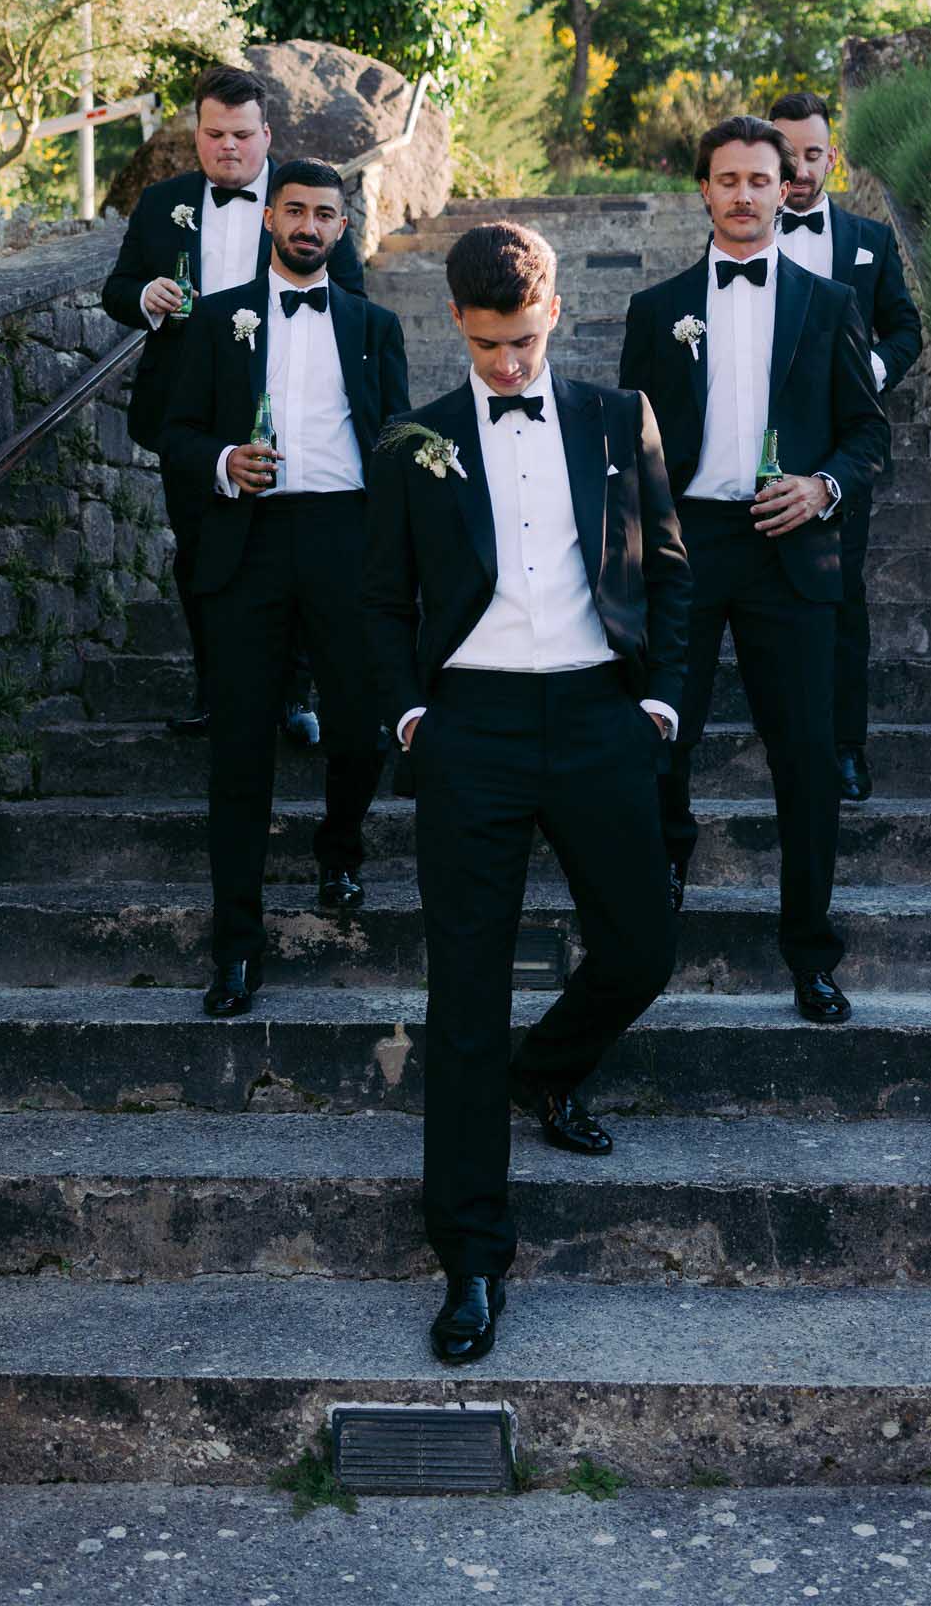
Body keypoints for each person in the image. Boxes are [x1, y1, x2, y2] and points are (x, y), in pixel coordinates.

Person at [362, 220, 691, 1366]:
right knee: (463, 998)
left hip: (601, 715)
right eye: (491, 344)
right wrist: (412, 716)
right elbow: (374, 598)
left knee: (644, 945)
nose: (510, 364)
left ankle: (542, 1071)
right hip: (476, 729)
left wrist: (659, 703)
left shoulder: (616, 416)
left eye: (527, 340)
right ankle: (470, 1261)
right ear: (455, 318)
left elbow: (672, 566)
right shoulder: (415, 440)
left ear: (557, 312)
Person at [619, 117, 888, 1027]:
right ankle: (656, 905)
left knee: (807, 761)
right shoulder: (656, 311)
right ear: (703, 190)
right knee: (661, 740)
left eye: (758, 180)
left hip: (791, 551)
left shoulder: (830, 303)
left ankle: (809, 954)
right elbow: (627, 445)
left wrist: (823, 488)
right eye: (725, 179)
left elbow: (868, 437)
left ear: (786, 190)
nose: (741, 194)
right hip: (687, 546)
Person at [161, 158, 409, 1019]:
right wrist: (225, 462)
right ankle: (235, 948)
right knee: (238, 752)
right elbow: (175, 432)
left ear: (343, 229)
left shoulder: (377, 325)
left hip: (346, 540)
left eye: (325, 215)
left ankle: (338, 842)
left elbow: (397, 447)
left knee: (360, 729)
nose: (309, 226)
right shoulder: (218, 319)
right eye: (295, 211)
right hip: (247, 544)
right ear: (270, 218)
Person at [101, 63, 364, 738]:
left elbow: (354, 300)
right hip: (185, 416)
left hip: (281, 409)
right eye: (214, 133)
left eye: (241, 135)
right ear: (197, 133)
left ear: (265, 133)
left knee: (290, 551)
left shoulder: (305, 200)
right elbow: (116, 288)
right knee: (199, 555)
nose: (227, 147)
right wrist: (143, 298)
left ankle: (294, 697)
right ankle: (216, 692)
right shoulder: (163, 203)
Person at [767, 91, 922, 803]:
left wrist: (868, 375)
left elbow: (904, 330)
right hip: (762, 447)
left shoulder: (871, 240)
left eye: (810, 153)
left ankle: (845, 747)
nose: (798, 168)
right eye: (786, 153)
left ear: (833, 158)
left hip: (844, 449)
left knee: (841, 598)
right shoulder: (739, 239)